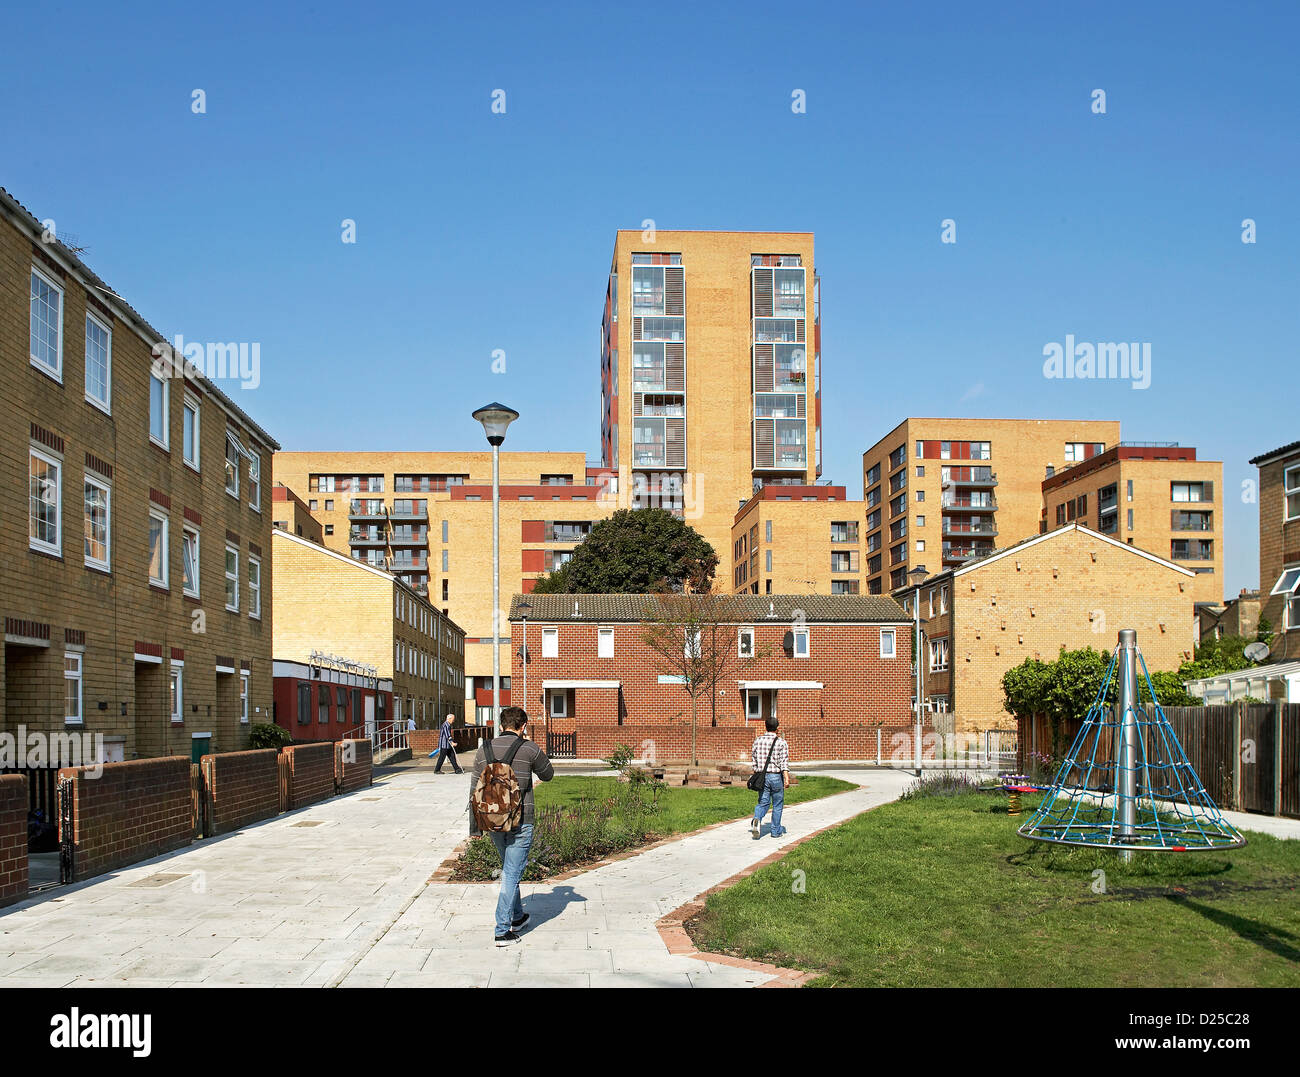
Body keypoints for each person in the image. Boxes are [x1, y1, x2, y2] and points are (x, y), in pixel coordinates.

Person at [467, 706, 553, 946]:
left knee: (509, 870)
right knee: (511, 874)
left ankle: (517, 916)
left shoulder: (484, 750)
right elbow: (548, 775)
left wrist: (474, 828)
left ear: (501, 725)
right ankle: (502, 930)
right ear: (523, 726)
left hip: (492, 821)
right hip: (521, 820)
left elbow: (474, 789)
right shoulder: (529, 748)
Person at [750, 716, 790, 839]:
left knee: (763, 802)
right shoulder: (781, 742)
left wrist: (757, 771)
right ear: (777, 728)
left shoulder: (758, 741)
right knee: (777, 804)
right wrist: (787, 778)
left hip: (762, 777)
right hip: (776, 776)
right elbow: (784, 762)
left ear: (765, 727)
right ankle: (775, 831)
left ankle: (757, 818)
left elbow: (754, 759)